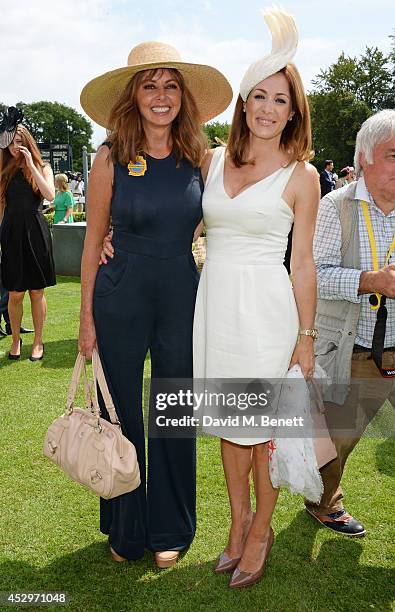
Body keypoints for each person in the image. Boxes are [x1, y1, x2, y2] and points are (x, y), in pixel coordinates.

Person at [78, 41, 232, 567]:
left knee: (173, 412)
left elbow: (224, 219)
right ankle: (126, 528)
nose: (161, 96)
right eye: (150, 85)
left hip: (180, 298)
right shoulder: (109, 156)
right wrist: (84, 320)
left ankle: (170, 526)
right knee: (118, 412)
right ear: (134, 96)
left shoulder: (202, 158)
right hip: (118, 297)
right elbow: (92, 238)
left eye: (170, 85)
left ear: (183, 97)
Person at [193, 8, 320, 588]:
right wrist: (117, 235)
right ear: (243, 102)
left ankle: (261, 528)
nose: (269, 108)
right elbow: (180, 221)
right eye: (260, 96)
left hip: (268, 312)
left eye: (281, 100)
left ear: (293, 111)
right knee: (228, 424)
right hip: (215, 309)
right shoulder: (212, 159)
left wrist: (306, 337)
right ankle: (237, 520)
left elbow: (302, 261)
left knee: (262, 430)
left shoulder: (303, 175)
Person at [306, 109, 395, 536]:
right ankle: (323, 502)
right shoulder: (336, 206)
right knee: (340, 442)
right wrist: (370, 280)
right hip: (354, 346)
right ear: (364, 158)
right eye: (394, 154)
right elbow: (313, 274)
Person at [0, 107, 56, 361]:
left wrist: (32, 165)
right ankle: (15, 340)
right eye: (11, 142)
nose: (15, 147)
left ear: (28, 143)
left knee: (36, 291)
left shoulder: (43, 167)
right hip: (11, 233)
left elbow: (50, 195)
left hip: (35, 232)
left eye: (20, 142)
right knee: (15, 292)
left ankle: (38, 341)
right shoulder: (3, 171)